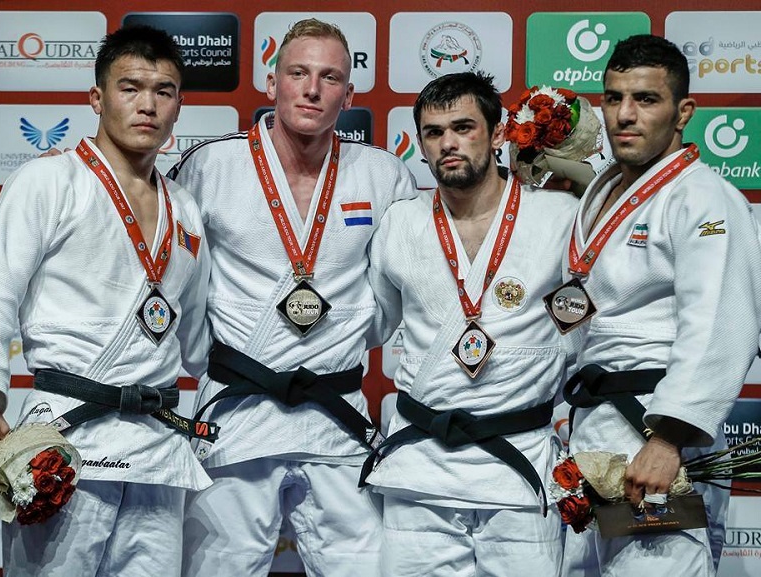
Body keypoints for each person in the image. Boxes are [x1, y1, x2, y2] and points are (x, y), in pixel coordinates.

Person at [167, 18, 417, 577]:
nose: (312, 89)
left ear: (348, 95)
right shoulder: (210, 166)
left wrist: (345, 336)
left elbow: (394, 292)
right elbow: (178, 282)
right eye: (298, 73)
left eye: (330, 77)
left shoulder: (383, 174)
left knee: (368, 568)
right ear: (271, 81)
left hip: (336, 414)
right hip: (236, 413)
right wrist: (214, 360)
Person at [0, 25, 213, 576]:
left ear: (178, 106)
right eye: (130, 88)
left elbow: (198, 339)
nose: (147, 105)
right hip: (66, 439)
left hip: (157, 449)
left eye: (164, 91)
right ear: (96, 98)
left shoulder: (186, 210)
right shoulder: (47, 181)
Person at [557, 34, 761, 576]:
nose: (625, 115)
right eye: (613, 98)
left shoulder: (704, 198)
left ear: (683, 112)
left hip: (656, 429)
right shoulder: (602, 194)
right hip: (594, 427)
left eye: (646, 99)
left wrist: (669, 439)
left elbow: (721, 325)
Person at [362, 71, 577, 576]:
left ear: (498, 132)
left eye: (463, 127)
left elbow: (582, 330)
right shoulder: (401, 223)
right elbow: (375, 322)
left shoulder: (558, 218)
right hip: (421, 471)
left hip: (519, 468)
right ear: (421, 145)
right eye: (434, 133)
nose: (448, 143)